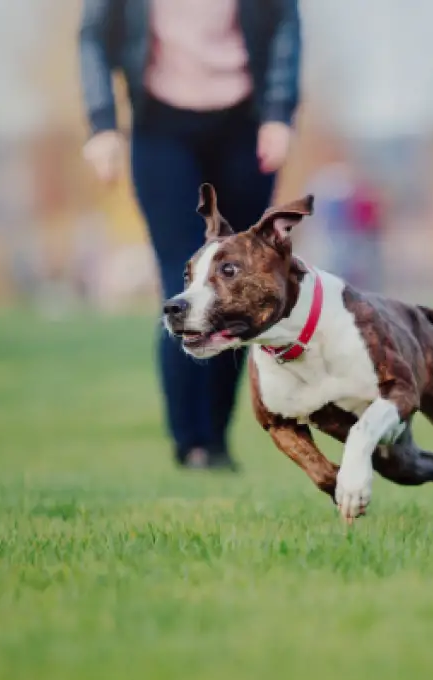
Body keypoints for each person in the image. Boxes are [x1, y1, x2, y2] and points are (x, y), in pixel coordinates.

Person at [78, 0, 302, 471]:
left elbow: (285, 21)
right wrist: (102, 124)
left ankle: (216, 440)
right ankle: (191, 442)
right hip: (161, 127)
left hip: (244, 124)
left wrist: (280, 111)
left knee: (236, 288)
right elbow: (94, 36)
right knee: (183, 282)